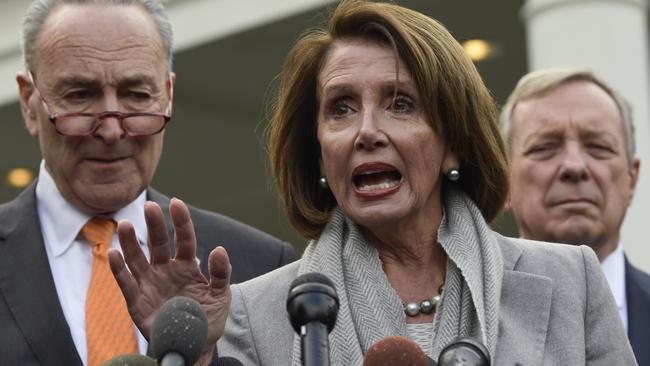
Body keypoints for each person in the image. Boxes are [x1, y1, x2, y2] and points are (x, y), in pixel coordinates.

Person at [110, 1, 636, 365]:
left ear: (453, 140)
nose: (366, 131)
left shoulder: (571, 282)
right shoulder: (252, 314)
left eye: (400, 104)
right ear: (319, 150)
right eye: (341, 109)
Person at [0, 0, 295, 365]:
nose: (111, 129)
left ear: (167, 96)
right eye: (79, 96)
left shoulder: (262, 265)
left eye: (137, 96)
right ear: (29, 103)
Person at [500, 67, 650, 365]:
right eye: (544, 148)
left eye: (598, 147)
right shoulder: (468, 318)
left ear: (631, 180)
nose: (574, 166)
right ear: (503, 181)